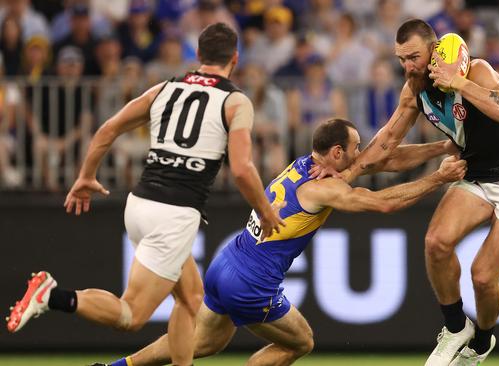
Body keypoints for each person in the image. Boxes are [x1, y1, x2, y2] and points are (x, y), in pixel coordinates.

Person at [6, 23, 284, 366]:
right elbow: (242, 169)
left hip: (139, 204)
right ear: (235, 59)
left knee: (191, 298)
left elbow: (108, 129)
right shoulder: (236, 101)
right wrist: (265, 210)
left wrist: (86, 175)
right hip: (176, 214)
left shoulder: (165, 88)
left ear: (197, 55)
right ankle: (52, 295)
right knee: (131, 316)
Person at [95, 118, 466, 366]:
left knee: (202, 343)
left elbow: (376, 162)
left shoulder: (305, 166)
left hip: (226, 262)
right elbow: (382, 202)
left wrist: (440, 148)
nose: (360, 153)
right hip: (251, 284)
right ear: (337, 152)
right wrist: (437, 180)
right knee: (300, 342)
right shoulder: (326, 186)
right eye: (355, 147)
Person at [312, 19, 499, 365]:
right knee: (436, 243)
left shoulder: (477, 70)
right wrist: (344, 174)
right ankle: (455, 328)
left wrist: (459, 83)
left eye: (413, 57)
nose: (407, 66)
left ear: (435, 50)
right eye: (401, 59)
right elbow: (386, 144)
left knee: (483, 277)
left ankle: (481, 343)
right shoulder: (414, 92)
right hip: (476, 174)